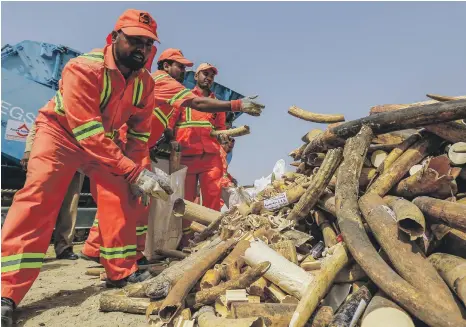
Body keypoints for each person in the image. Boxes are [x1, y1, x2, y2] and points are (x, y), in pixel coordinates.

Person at [1, 9, 172, 327]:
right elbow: (86, 131)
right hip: (60, 134)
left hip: (102, 143)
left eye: (148, 44)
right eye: (134, 40)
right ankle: (6, 293)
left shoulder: (145, 85)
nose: (141, 49)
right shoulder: (83, 67)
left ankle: (121, 272)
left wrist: (141, 172)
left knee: (122, 195)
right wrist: (133, 171)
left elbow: (138, 137)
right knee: (38, 199)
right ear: (115, 37)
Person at [82, 49, 265, 251]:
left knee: (207, 199)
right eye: (181, 67)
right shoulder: (177, 91)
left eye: (211, 75)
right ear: (168, 66)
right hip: (179, 153)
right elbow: (177, 117)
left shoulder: (200, 98)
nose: (183, 71)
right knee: (179, 202)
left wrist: (220, 135)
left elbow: (161, 121)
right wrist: (237, 104)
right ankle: (167, 245)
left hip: (204, 155)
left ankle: (100, 247)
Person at [21, 122, 83, 260]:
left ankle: (64, 248)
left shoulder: (90, 108)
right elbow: (37, 126)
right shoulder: (56, 102)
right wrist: (29, 150)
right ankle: (30, 248)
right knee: (41, 204)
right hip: (51, 157)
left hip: (76, 162)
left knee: (70, 207)